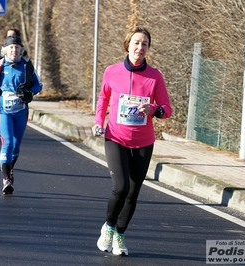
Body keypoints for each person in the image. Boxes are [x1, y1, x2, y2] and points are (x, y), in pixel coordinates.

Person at [93, 26, 172, 256]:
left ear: (148, 48)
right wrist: (99, 121)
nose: (140, 47)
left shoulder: (155, 76)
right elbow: (103, 98)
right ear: (128, 45)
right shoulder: (112, 71)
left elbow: (167, 109)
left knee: (133, 193)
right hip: (116, 137)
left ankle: (120, 235)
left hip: (143, 141)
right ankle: (108, 227)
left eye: (145, 44)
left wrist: (153, 108)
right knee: (121, 187)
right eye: (137, 42)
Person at [0, 35, 42, 194]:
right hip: (3, 110)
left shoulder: (27, 65)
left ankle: (10, 169)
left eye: (17, 47)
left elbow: (38, 85)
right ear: (5, 50)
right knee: (8, 143)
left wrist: (30, 92)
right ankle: (6, 180)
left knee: (16, 146)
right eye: (11, 47)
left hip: (21, 111)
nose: (14, 50)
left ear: (21, 50)